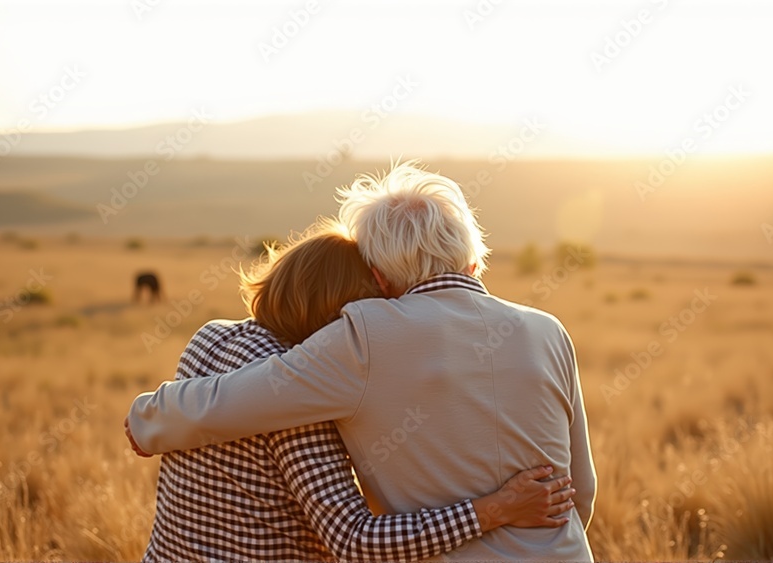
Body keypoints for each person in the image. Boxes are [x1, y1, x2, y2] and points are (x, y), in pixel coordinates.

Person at [127, 161, 597, 561]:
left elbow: (235, 401)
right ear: (474, 262)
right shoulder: (549, 329)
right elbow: (583, 489)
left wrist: (148, 418)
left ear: (378, 278)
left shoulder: (365, 332)